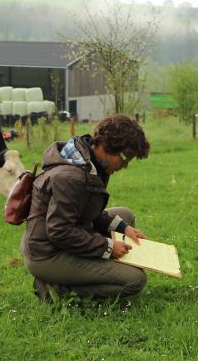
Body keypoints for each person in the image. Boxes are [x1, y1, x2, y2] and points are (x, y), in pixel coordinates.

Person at [21, 113, 151, 302]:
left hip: (64, 238)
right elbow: (60, 232)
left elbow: (89, 212)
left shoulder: (91, 163)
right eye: (125, 159)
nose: (125, 166)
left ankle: (80, 274)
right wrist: (107, 247)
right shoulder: (71, 177)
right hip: (48, 255)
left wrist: (124, 229)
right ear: (107, 147)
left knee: (125, 216)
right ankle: (58, 288)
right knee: (135, 280)